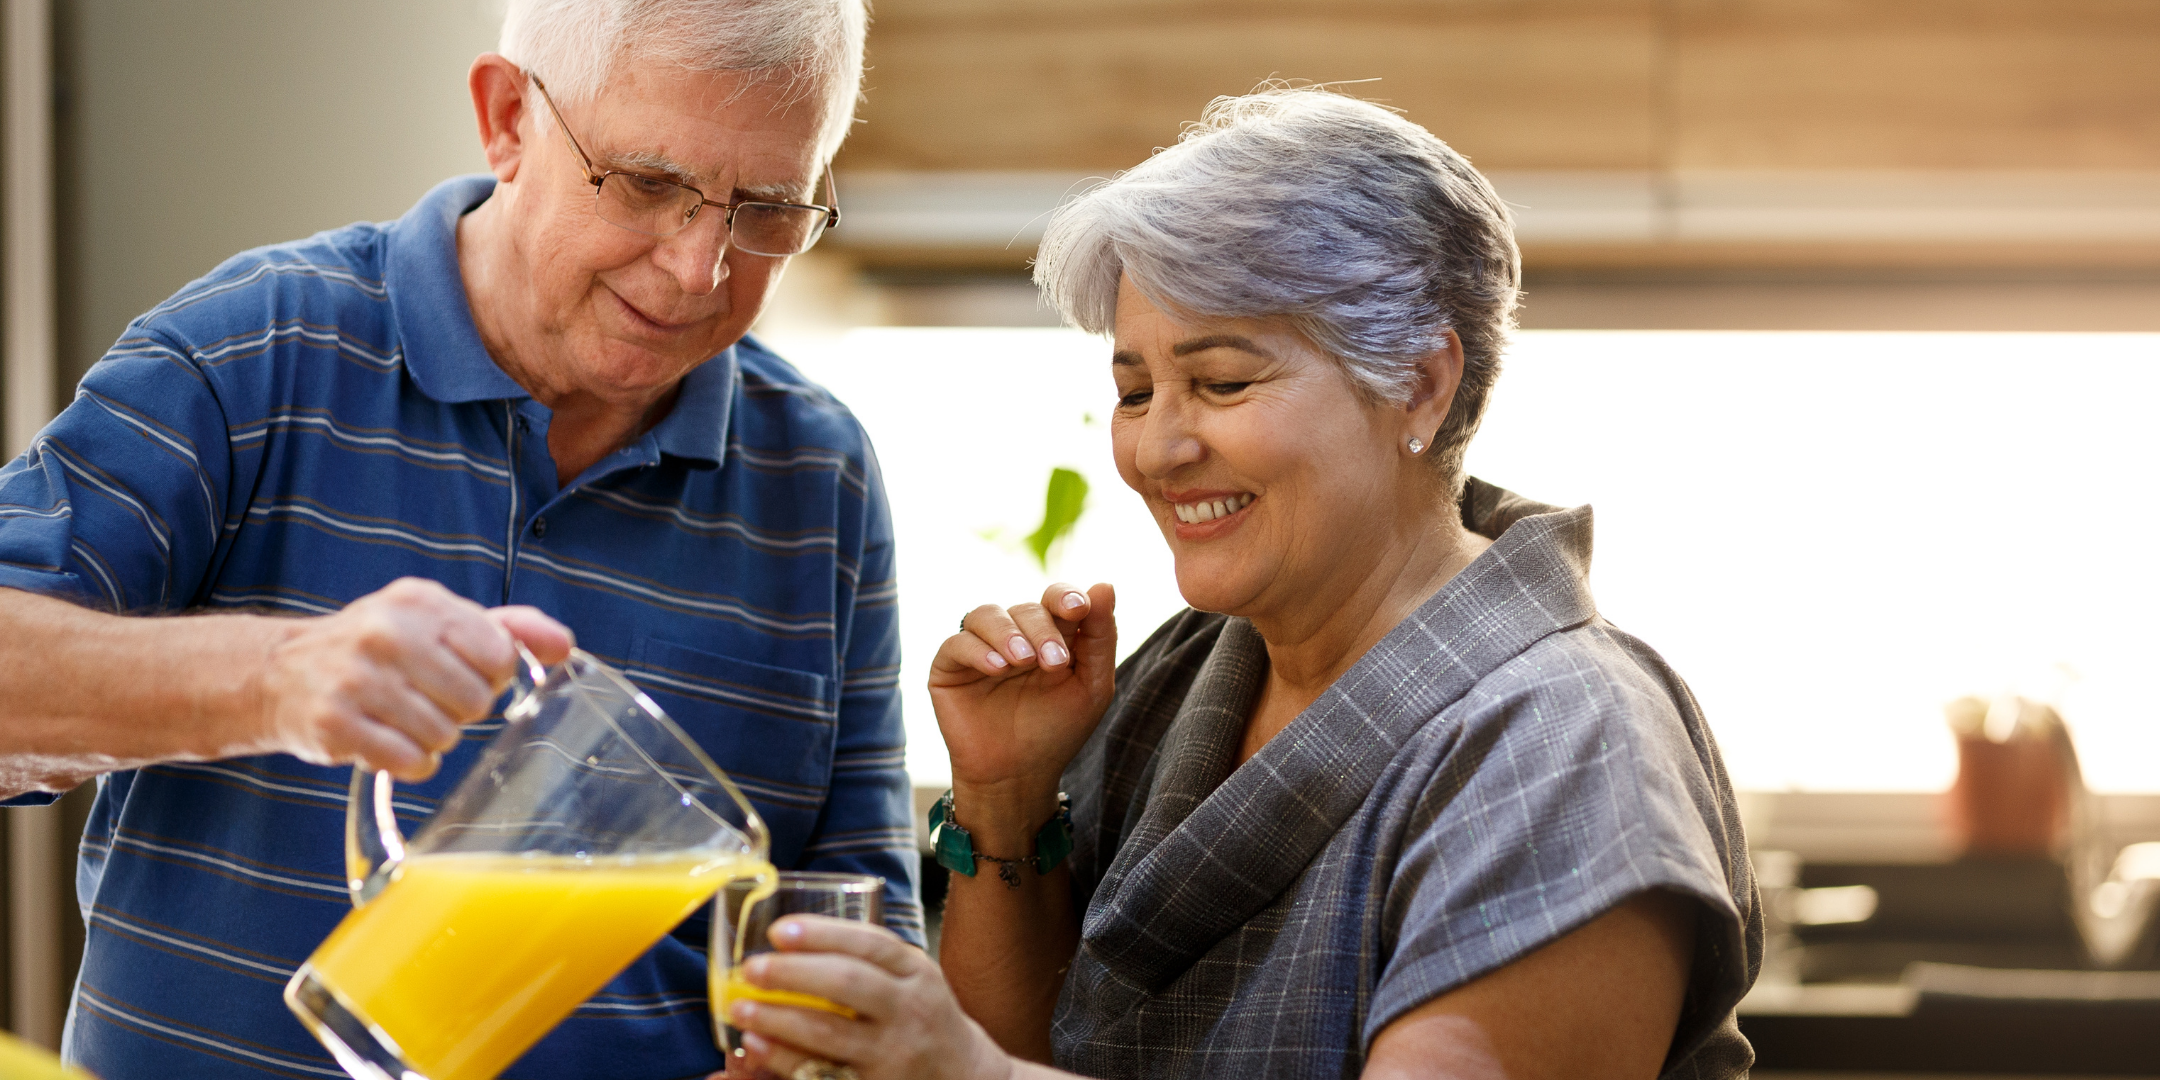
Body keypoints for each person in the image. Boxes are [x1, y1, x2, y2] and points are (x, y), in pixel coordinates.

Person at [720, 88, 1762, 1080]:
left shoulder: (1567, 737)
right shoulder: (1179, 678)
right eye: (1134, 389)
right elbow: (1031, 1051)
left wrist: (960, 1070)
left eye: (1222, 382)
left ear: (1421, 384)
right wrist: (1005, 795)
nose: (1157, 448)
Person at [0, 2, 919, 1077]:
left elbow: (855, 917)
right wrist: (274, 678)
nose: (695, 269)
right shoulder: (249, 350)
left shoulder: (822, 472)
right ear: (508, 119)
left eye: (765, 208)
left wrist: (827, 1044)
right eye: (649, 183)